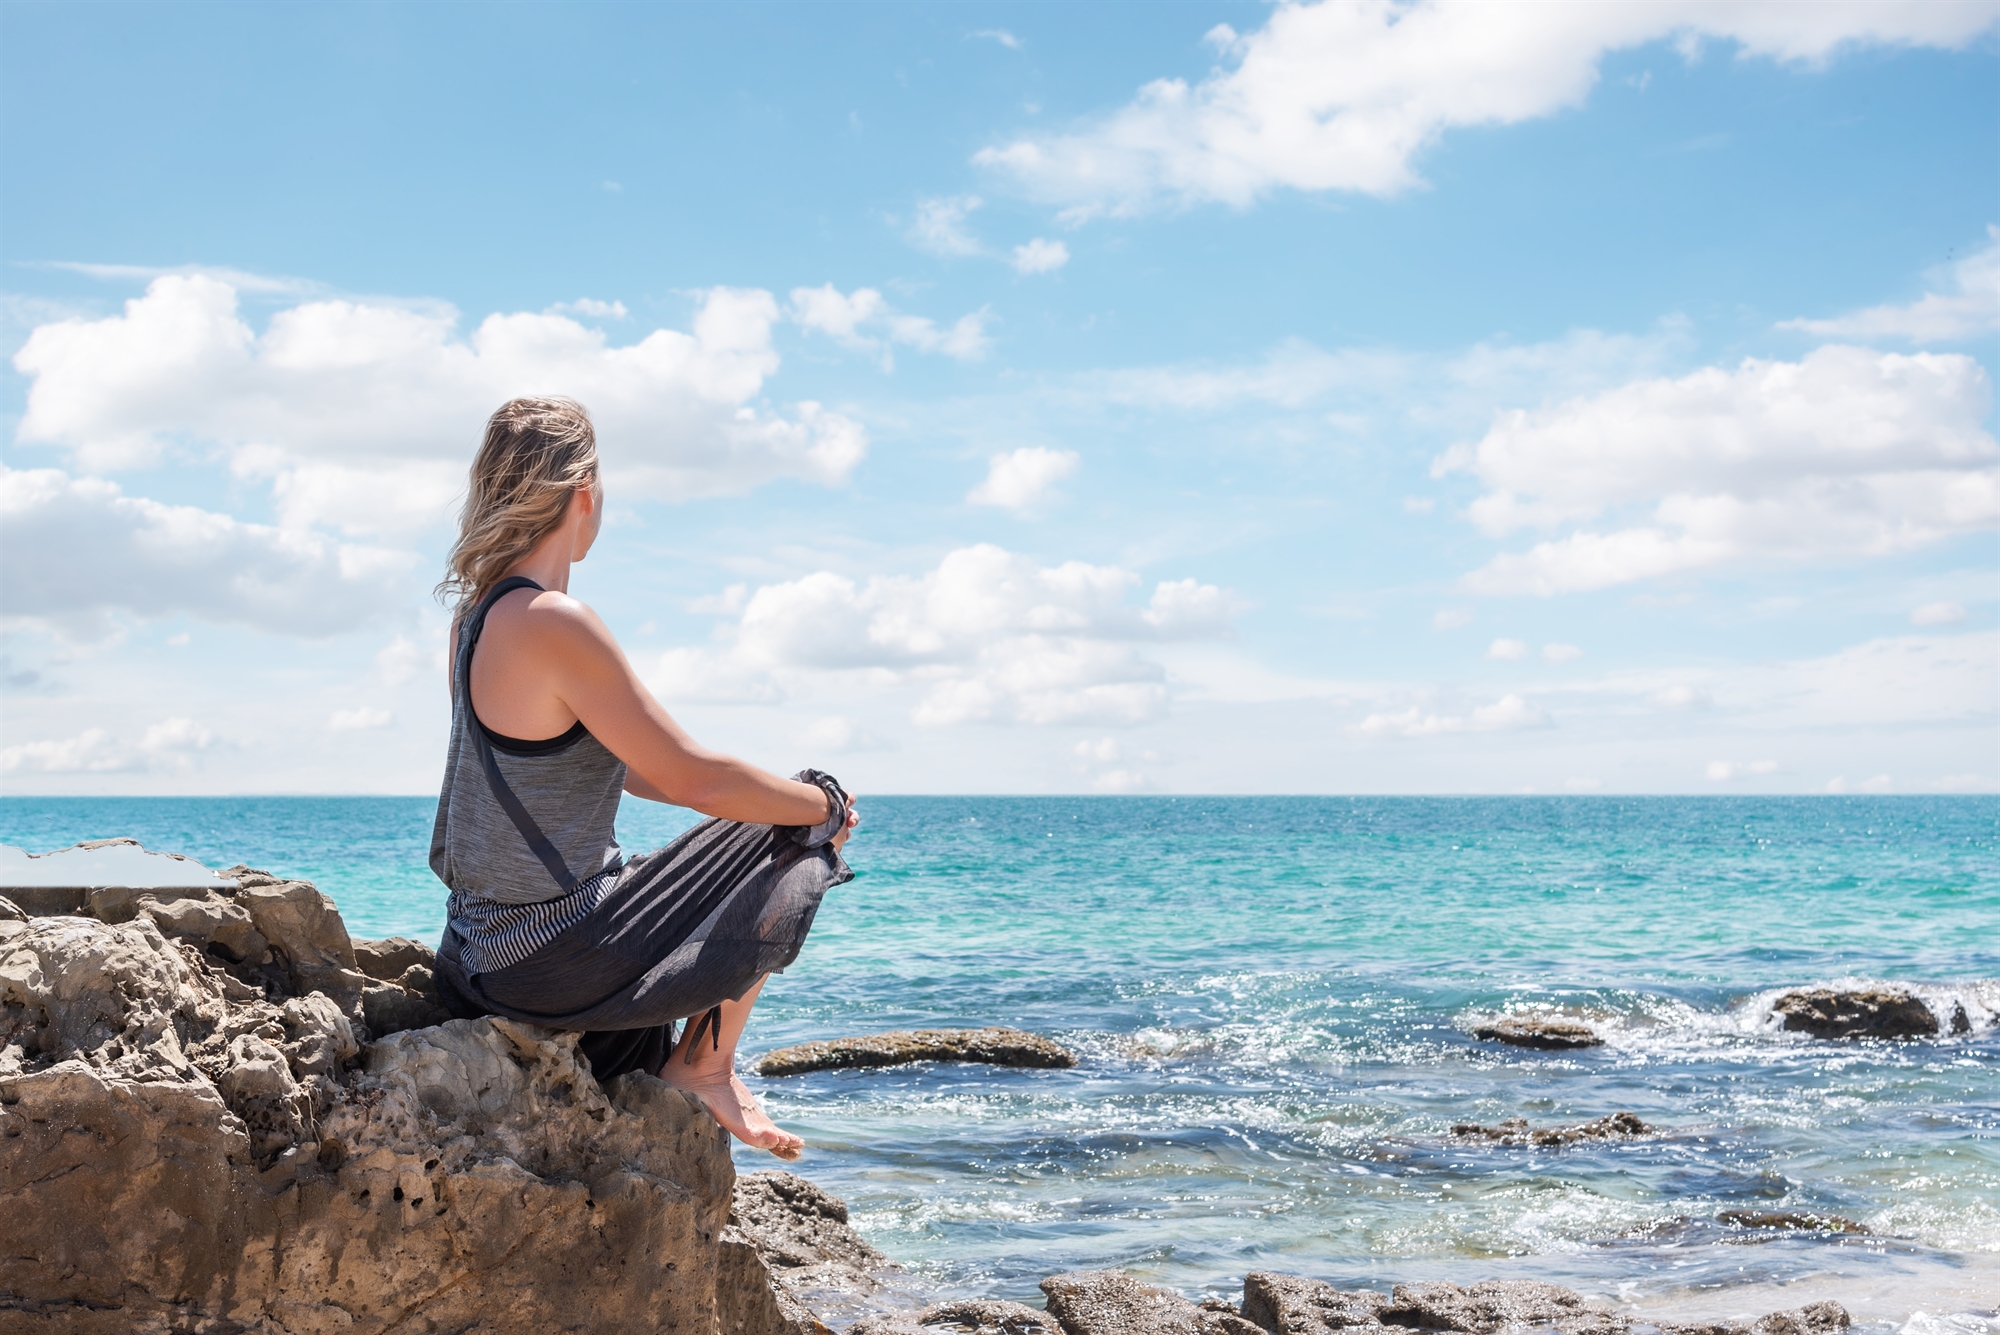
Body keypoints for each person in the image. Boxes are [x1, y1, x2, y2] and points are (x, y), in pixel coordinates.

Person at [428, 396, 854, 1161]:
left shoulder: (473, 622)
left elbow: (623, 770)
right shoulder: (555, 621)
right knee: (803, 812)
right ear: (583, 493)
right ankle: (707, 1063)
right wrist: (822, 804)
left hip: (471, 956)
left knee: (769, 819)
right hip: (544, 961)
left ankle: (683, 1057)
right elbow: (696, 779)